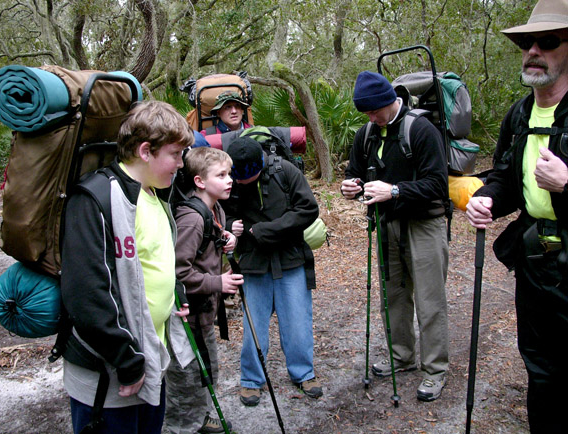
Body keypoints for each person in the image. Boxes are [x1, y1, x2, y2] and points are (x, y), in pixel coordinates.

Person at [60, 100, 195, 434]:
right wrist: (129, 362)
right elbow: (87, 293)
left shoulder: (155, 195)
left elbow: (158, 259)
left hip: (149, 362)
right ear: (146, 150)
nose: (181, 164)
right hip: (112, 378)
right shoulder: (95, 198)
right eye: (176, 155)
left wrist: (174, 295)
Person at [466, 1, 568, 431]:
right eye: (528, 43)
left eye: (547, 42)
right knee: (540, 368)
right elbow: (507, 176)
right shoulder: (520, 113)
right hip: (536, 264)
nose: (533, 52)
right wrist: (487, 197)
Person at [341, 71, 449, 402]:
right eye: (366, 113)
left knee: (430, 301)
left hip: (424, 225)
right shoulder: (367, 134)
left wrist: (396, 190)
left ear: (391, 101)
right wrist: (351, 187)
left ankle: (435, 370)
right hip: (387, 224)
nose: (371, 118)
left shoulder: (421, 129)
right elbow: (354, 173)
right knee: (394, 297)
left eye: (375, 111)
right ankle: (401, 356)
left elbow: (437, 184)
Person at [222, 136, 322, 406]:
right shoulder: (231, 181)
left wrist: (266, 230)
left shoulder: (284, 171)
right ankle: (252, 380)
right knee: (253, 324)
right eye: (237, 179)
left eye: (246, 178)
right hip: (253, 262)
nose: (241, 184)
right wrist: (232, 226)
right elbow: (221, 212)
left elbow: (308, 209)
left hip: (290, 257)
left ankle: (304, 373)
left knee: (297, 320)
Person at [165, 147, 243, 433]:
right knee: (186, 376)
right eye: (221, 175)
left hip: (205, 312)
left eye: (229, 173)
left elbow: (207, 246)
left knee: (206, 370)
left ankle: (200, 417)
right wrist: (217, 282)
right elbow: (176, 272)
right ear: (199, 181)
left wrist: (226, 238)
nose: (229, 180)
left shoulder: (214, 208)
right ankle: (182, 426)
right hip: (187, 316)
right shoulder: (192, 218)